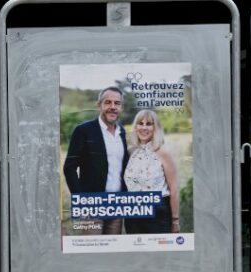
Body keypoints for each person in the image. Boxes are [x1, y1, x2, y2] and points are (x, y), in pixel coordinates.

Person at [63, 86, 129, 235]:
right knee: (91, 251)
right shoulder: (83, 130)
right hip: (92, 204)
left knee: (112, 249)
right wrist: (81, 200)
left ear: (121, 107)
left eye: (117, 103)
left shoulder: (122, 132)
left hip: (116, 204)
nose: (112, 107)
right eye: (108, 102)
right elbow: (69, 168)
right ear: (99, 105)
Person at [123, 110, 180, 234]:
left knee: (160, 253)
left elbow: (174, 189)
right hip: (133, 214)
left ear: (156, 128)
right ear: (135, 126)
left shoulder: (163, 152)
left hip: (157, 214)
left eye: (149, 124)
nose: (144, 127)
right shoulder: (131, 152)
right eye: (140, 123)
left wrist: (175, 220)